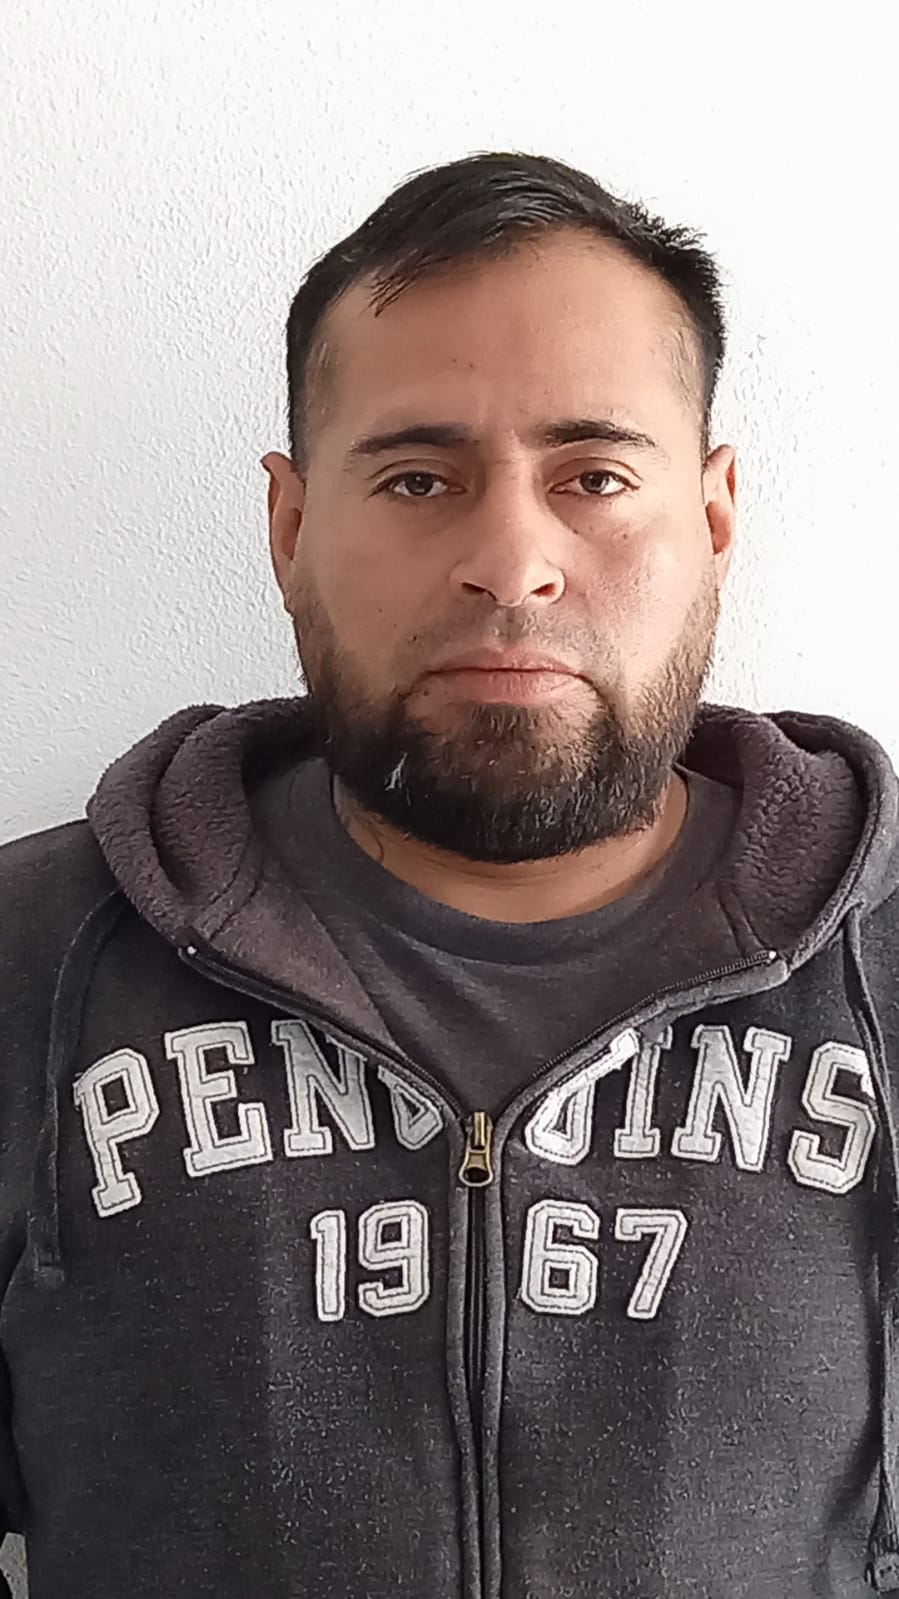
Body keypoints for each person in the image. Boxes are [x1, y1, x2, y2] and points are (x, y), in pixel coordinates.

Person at [1, 148, 897, 1599]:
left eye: (595, 476)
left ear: (715, 517)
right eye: (419, 478)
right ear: (293, 528)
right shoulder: (30, 959)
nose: (512, 562)